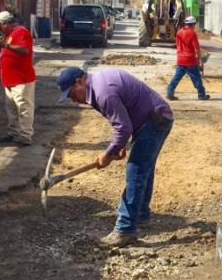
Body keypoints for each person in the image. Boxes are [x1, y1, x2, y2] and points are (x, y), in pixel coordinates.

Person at [57, 66, 174, 248]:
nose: (72, 100)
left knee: (136, 172)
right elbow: (123, 119)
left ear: (80, 81)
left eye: (71, 93)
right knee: (144, 169)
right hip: (152, 119)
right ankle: (141, 215)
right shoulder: (97, 85)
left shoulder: (103, 92)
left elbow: (123, 127)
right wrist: (118, 146)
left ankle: (125, 230)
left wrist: (109, 153)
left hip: (155, 120)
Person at [0, 10, 36, 146]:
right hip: (9, 80)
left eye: (0, 26)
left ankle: (25, 136)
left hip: (21, 79)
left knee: (23, 108)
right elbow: (5, 55)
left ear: (5, 23)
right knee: (11, 109)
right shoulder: (7, 36)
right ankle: (13, 132)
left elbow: (24, 50)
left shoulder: (21, 32)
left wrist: (6, 45)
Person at [167, 15, 209, 101]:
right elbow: (197, 49)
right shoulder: (192, 33)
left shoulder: (179, 32)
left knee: (176, 78)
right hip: (190, 60)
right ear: (193, 24)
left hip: (180, 59)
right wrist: (200, 61)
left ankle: (170, 93)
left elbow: (177, 45)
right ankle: (201, 95)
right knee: (197, 78)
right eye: (195, 24)